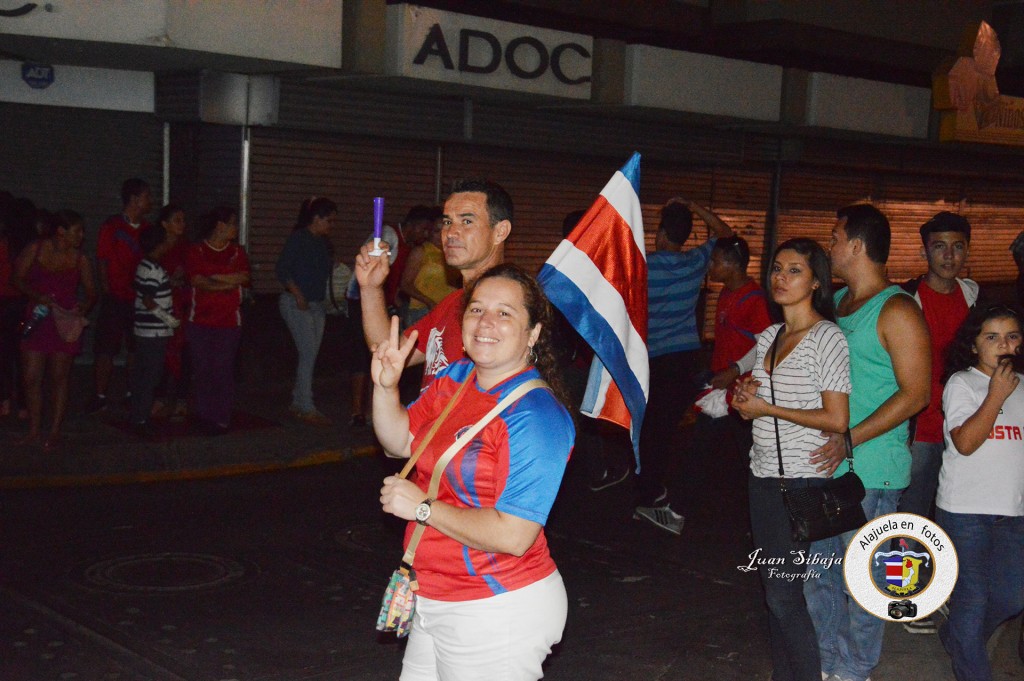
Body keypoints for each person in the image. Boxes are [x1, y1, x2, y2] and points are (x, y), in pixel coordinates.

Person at [372, 263, 574, 681]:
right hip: (434, 593)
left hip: (495, 606)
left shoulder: (536, 416)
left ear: (533, 333)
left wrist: (423, 508)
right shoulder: (457, 379)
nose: (486, 323)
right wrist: (386, 386)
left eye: (505, 313)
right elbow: (399, 442)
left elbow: (515, 535)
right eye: (476, 309)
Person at [803, 203, 931, 681]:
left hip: (870, 471)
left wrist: (850, 438)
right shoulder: (838, 302)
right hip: (824, 464)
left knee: (863, 582)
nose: (829, 245)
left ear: (856, 245)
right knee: (819, 579)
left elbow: (916, 392)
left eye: (835, 237)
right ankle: (828, 666)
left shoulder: (896, 309)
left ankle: (855, 670)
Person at [731, 238, 851, 681]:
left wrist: (768, 409)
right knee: (773, 594)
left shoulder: (827, 337)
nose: (780, 278)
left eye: (794, 270)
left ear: (817, 280)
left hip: (803, 482)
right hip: (762, 475)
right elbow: (757, 402)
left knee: (784, 595)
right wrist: (746, 400)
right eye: (777, 269)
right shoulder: (770, 335)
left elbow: (837, 419)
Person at [896, 211, 978, 634]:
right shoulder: (907, 299)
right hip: (922, 428)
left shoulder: (971, 294)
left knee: (954, 514)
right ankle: (907, 598)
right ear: (925, 249)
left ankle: (938, 587)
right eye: (940, 246)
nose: (949, 255)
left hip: (963, 429)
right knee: (912, 513)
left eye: (958, 246)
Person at [633, 198, 734, 535]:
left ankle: (649, 491)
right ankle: (653, 488)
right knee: (666, 427)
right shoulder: (694, 261)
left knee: (650, 428)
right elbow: (727, 234)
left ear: (661, 232)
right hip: (685, 356)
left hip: (653, 358)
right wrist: (696, 206)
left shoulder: (644, 266)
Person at [936, 303, 1024, 681]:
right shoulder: (962, 383)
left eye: (1012, 336)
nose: (1003, 344)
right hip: (965, 512)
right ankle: (969, 653)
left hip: (1013, 513)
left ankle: (957, 637)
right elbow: (966, 443)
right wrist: (996, 395)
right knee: (971, 603)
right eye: (992, 337)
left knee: (1011, 597)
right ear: (974, 345)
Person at [355, 179, 512, 390]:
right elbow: (388, 351)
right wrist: (371, 288)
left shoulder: (511, 310)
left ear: (500, 231)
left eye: (467, 222)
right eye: (447, 222)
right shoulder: (452, 303)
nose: (451, 232)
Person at [12, 210, 96, 449]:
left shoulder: (81, 260)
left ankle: (55, 430)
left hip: (64, 320)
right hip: (39, 317)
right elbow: (17, 278)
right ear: (61, 232)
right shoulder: (36, 249)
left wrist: (84, 307)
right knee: (31, 377)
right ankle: (34, 429)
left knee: (59, 378)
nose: (81, 236)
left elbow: (92, 293)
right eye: (77, 230)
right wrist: (36, 296)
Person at [86, 178, 152, 414]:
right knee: (106, 348)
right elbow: (102, 259)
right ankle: (100, 394)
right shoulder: (112, 226)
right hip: (115, 297)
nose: (149, 201)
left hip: (138, 297)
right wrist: (106, 290)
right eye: (146, 196)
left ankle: (131, 392)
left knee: (135, 347)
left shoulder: (147, 230)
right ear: (134, 199)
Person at [185, 206, 250, 436]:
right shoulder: (197, 250)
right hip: (200, 320)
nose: (235, 228)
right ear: (220, 225)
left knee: (223, 368)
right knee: (203, 369)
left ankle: (221, 416)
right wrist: (227, 282)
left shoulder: (237, 252)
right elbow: (197, 279)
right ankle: (205, 414)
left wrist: (214, 278)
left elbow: (243, 277)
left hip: (229, 322)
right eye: (232, 223)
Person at [276, 197, 336, 426]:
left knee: (309, 354)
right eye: (328, 220)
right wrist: (298, 293)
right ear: (316, 218)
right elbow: (282, 269)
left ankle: (299, 400)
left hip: (316, 304)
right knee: (308, 353)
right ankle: (305, 404)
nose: (331, 226)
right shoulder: (299, 238)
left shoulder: (322, 243)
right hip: (297, 302)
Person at [128, 224, 178, 437]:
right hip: (153, 331)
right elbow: (148, 300)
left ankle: (137, 416)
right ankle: (141, 420)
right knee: (150, 377)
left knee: (143, 375)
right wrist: (169, 319)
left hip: (144, 330)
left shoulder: (146, 265)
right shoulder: (153, 269)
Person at [152, 203, 191, 421]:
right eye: (177, 220)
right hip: (161, 308)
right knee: (162, 352)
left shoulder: (187, 248)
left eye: (183, 220)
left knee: (183, 351)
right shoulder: (158, 248)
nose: (182, 224)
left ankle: (181, 399)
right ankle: (160, 397)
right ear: (164, 224)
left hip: (182, 306)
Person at [400, 205, 453, 328]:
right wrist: (429, 302)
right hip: (423, 310)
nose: (440, 235)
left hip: (449, 312)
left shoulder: (454, 253)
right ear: (428, 232)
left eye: (444, 230)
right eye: (436, 231)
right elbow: (405, 284)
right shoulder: (421, 251)